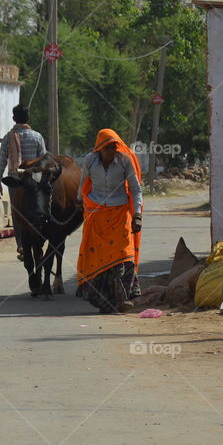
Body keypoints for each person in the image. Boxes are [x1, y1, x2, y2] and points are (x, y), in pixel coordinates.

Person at [75, 128, 143, 313]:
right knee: (98, 259)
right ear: (99, 148)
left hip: (120, 214)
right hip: (96, 214)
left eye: (113, 147)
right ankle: (104, 300)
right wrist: (79, 201)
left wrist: (137, 215)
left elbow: (135, 189)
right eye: (107, 148)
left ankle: (124, 299)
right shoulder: (90, 160)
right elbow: (83, 183)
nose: (111, 151)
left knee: (124, 254)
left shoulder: (124, 161)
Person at [0, 104, 47, 261]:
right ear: (28, 118)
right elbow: (43, 161)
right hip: (34, 182)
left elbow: (2, 161)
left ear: (13, 118)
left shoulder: (7, 138)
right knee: (36, 212)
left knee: (17, 213)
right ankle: (37, 242)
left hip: (15, 182)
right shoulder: (37, 137)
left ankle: (21, 245)